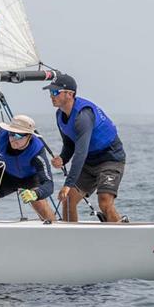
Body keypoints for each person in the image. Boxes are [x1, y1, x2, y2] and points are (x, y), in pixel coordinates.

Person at [44, 73, 127, 223]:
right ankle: (71, 240)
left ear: (70, 94)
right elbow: (69, 145)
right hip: (89, 161)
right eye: (50, 92)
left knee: (104, 201)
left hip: (110, 158)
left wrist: (68, 184)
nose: (51, 96)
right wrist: (62, 158)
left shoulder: (83, 116)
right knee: (68, 199)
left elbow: (80, 153)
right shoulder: (60, 115)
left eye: (55, 92)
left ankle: (120, 234)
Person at [0, 115, 56, 222]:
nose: (13, 139)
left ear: (29, 136)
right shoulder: (0, 133)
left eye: (18, 135)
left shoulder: (37, 152)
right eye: (11, 133)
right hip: (6, 174)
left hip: (30, 179)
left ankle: (58, 235)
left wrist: (36, 194)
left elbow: (49, 184)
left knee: (44, 211)